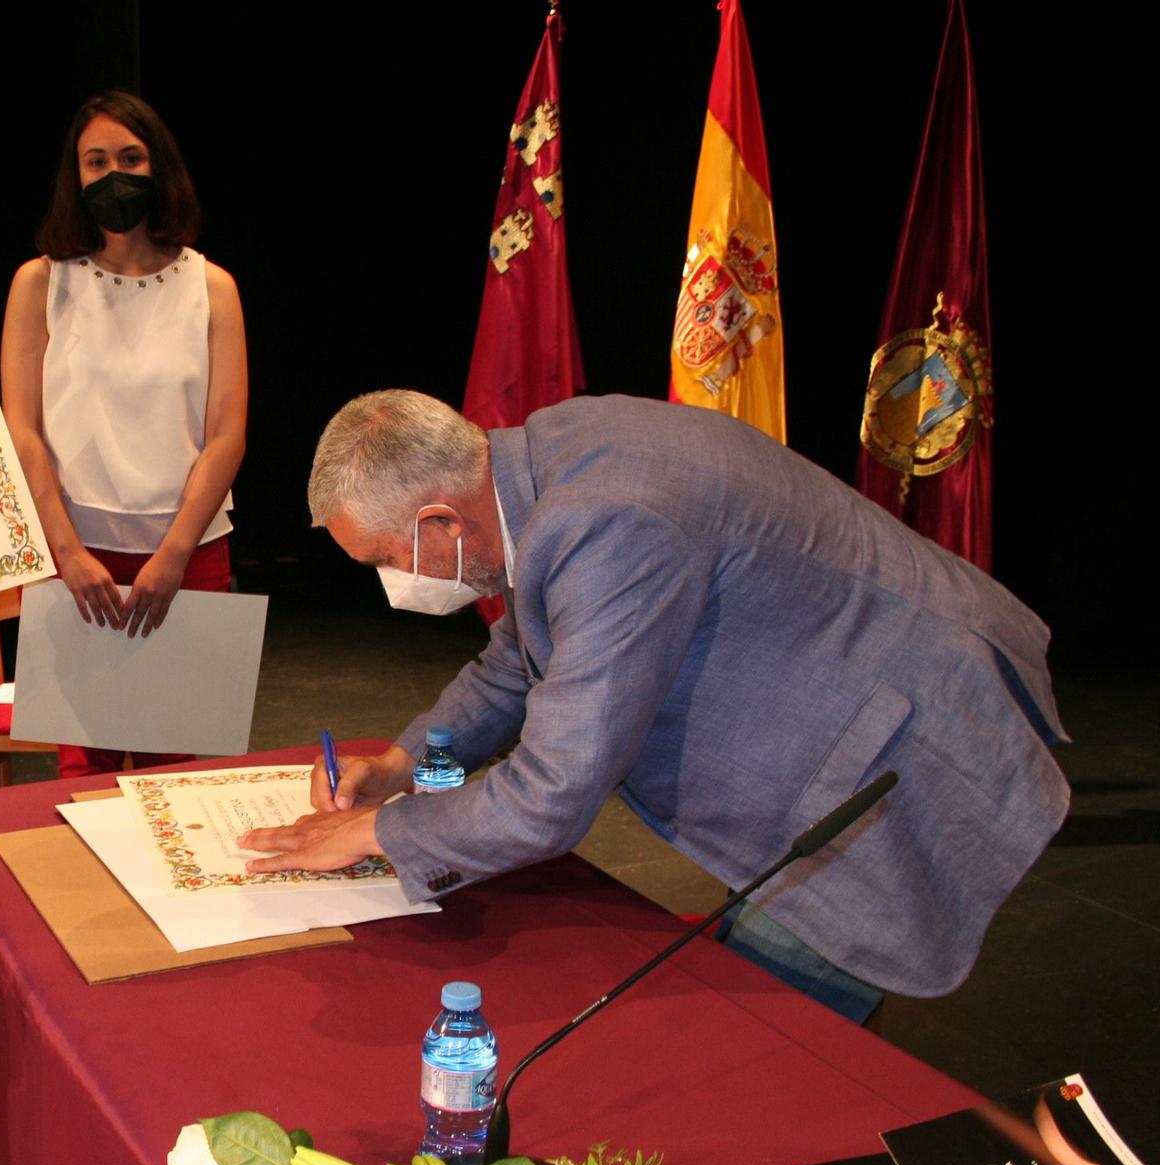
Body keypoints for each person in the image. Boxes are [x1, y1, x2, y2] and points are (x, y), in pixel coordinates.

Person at [240, 390, 1069, 1022]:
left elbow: (551, 796)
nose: (393, 584)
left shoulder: (602, 523)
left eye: (387, 558)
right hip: (849, 703)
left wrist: (376, 831)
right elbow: (523, 658)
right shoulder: (540, 464)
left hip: (890, 749)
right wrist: (403, 764)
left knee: (774, 1045)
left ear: (438, 519)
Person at [0, 90, 247, 777]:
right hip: (75, 557)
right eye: (96, 160)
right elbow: (22, 429)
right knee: (86, 770)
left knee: (177, 767)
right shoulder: (39, 282)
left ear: (159, 166)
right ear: (74, 176)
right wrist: (66, 551)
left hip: (189, 552)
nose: (114, 174)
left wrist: (173, 553)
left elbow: (227, 434)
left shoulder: (213, 286)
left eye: (131, 158)